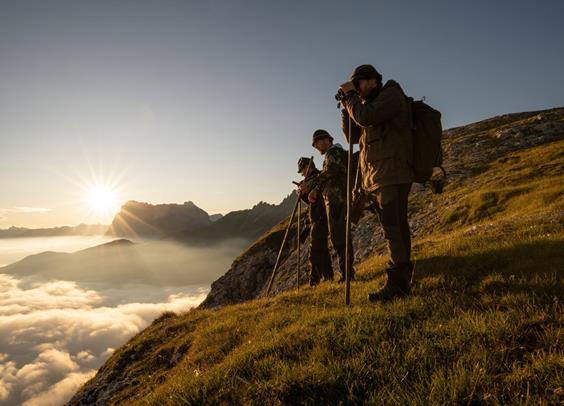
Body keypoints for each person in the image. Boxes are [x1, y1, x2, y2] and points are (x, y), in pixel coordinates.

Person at [339, 64, 414, 301]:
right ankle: (402, 281)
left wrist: (351, 97)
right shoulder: (365, 105)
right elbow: (352, 137)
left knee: (393, 227)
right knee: (394, 226)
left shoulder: (391, 93)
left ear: (372, 80)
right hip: (380, 175)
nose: (358, 89)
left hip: (393, 172)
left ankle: (398, 285)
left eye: (359, 84)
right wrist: (345, 106)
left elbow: (365, 117)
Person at [307, 129, 355, 283]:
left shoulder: (332, 152)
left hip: (336, 200)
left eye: (317, 144)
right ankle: (347, 272)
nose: (317, 148)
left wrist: (312, 185)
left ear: (325, 140)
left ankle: (347, 274)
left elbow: (331, 171)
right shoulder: (335, 153)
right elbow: (330, 173)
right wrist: (316, 189)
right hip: (336, 199)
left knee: (339, 237)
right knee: (338, 236)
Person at [296, 157, 333, 285]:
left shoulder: (318, 178)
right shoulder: (309, 180)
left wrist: (304, 192)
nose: (301, 173)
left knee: (315, 250)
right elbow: (310, 201)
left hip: (321, 217)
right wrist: (302, 194)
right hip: (317, 217)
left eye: (302, 170)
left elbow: (318, 199)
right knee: (322, 249)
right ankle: (328, 277)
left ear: (307, 166)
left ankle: (314, 281)